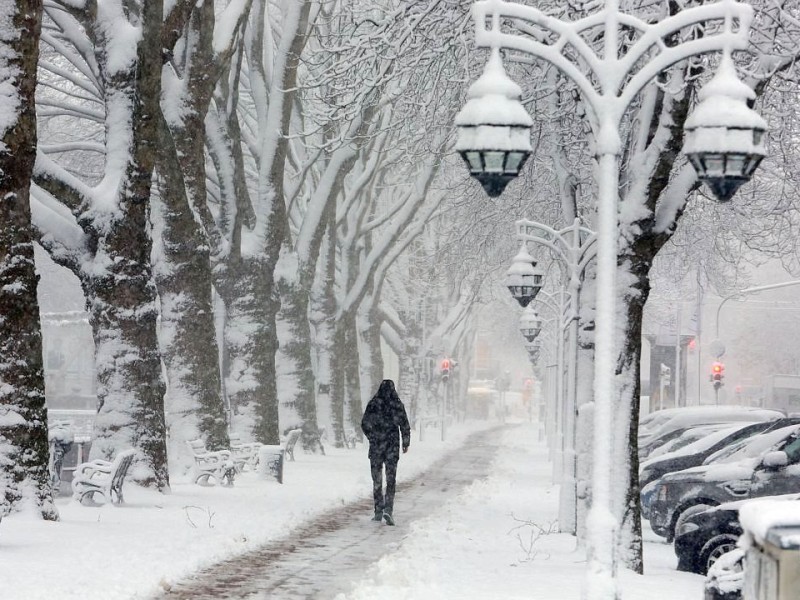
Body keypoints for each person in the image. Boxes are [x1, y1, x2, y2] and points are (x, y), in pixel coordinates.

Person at [361, 379, 411, 526]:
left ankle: (378, 510)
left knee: (377, 480)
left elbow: (364, 423)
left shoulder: (374, 403)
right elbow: (405, 424)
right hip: (392, 446)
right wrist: (405, 443)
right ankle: (388, 509)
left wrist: (372, 437)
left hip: (377, 447)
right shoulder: (397, 404)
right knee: (391, 480)